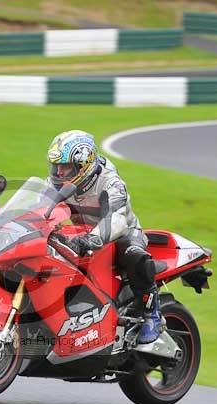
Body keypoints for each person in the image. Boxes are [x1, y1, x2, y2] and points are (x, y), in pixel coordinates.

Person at [46, 129, 162, 345]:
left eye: (65, 166)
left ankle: (152, 314)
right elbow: (40, 208)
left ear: (84, 164)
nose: (59, 172)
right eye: (56, 166)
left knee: (133, 253)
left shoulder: (111, 183)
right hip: (81, 236)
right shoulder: (56, 183)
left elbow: (116, 220)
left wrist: (94, 237)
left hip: (120, 235)